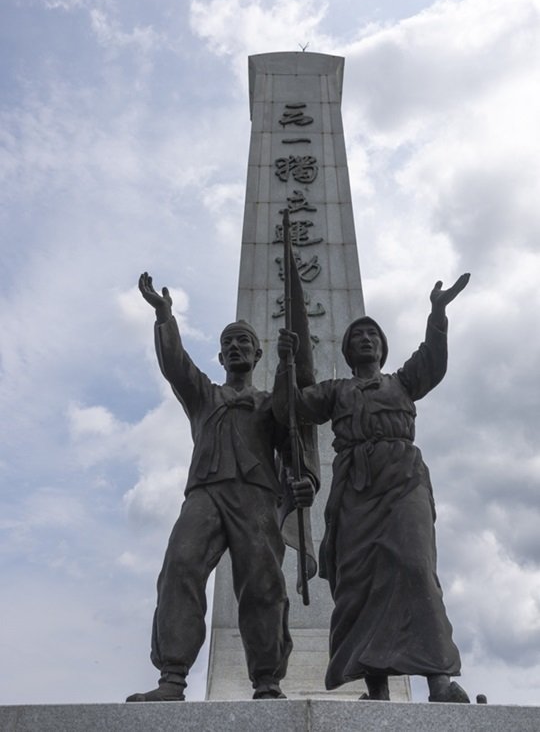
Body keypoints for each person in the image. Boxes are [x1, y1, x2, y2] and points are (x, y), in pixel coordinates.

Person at [275, 274, 471, 703]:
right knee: (357, 580)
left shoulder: (402, 382)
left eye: (372, 335)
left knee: (415, 567)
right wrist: (284, 363)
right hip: (354, 488)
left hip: (402, 480)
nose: (366, 339)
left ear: (382, 347)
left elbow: (433, 362)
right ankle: (375, 685)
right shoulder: (336, 391)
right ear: (347, 351)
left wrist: (437, 314)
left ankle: (438, 680)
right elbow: (292, 408)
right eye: (358, 335)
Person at [127, 273, 315, 702]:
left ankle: (267, 680)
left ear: (258, 352)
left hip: (256, 498)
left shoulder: (271, 403)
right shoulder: (203, 396)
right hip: (206, 494)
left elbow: (293, 449)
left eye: (244, 341)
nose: (236, 347)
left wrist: (302, 483)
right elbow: (176, 365)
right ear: (220, 355)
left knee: (263, 584)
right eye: (228, 343)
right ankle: (172, 677)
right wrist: (164, 317)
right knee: (180, 567)